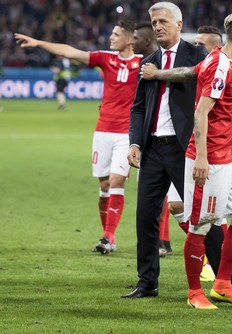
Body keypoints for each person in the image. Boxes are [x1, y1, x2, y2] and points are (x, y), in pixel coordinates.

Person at [15, 20, 141, 254]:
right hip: (103, 131)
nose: (111, 37)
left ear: (130, 39)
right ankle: (109, 239)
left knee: (116, 181)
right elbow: (70, 52)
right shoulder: (105, 58)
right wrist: (39, 43)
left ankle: (108, 235)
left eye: (116, 34)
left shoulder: (143, 63)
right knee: (104, 184)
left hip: (126, 133)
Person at [177, 11, 232, 310]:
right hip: (210, 160)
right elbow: (201, 112)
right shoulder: (220, 66)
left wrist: (158, 74)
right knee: (201, 225)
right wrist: (201, 157)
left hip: (231, 157)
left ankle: (223, 284)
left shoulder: (221, 61)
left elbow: (189, 73)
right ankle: (194, 292)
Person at [124, 2, 207, 299]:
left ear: (179, 24)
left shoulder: (197, 55)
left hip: (185, 150)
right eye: (154, 22)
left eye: (163, 21)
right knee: (145, 218)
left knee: (203, 215)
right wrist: (134, 142)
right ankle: (147, 283)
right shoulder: (149, 61)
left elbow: (198, 83)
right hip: (153, 150)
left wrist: (158, 75)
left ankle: (225, 280)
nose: (157, 26)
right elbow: (137, 108)